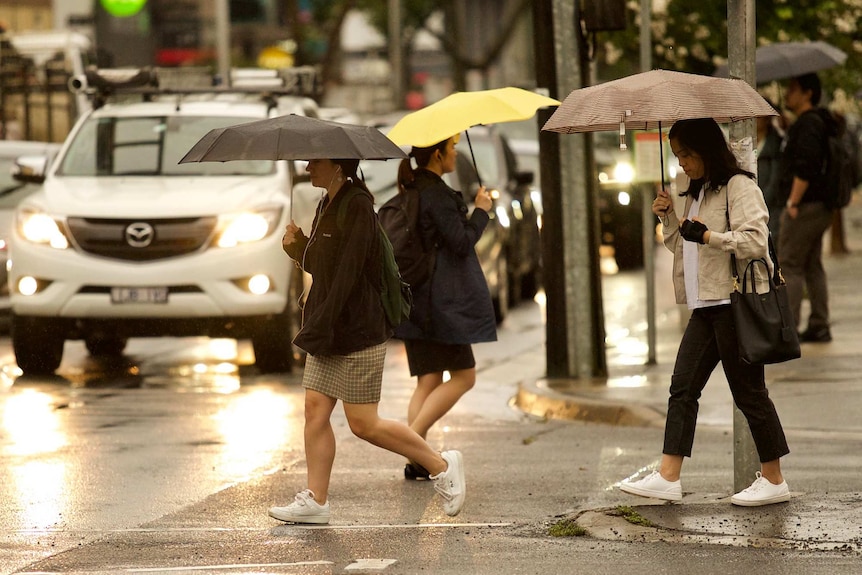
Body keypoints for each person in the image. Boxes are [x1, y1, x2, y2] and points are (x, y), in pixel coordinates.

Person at [271, 157, 466, 524]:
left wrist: (321, 324)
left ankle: (441, 466)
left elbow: (350, 273)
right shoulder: (328, 201)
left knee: (364, 424)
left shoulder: (357, 204)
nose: (308, 166)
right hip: (329, 328)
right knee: (314, 410)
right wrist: (298, 247)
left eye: (315, 160)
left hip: (357, 330)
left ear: (337, 164)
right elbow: (325, 265)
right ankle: (316, 500)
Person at [619, 118, 791, 507]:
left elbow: (755, 241)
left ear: (705, 151)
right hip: (705, 306)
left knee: (749, 394)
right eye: (677, 155)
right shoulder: (692, 193)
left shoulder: (739, 186)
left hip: (733, 304)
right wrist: (668, 218)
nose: (680, 163)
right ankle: (668, 476)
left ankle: (775, 478)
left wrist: (709, 235)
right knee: (682, 389)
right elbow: (681, 248)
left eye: (686, 155)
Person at [393, 135, 497, 480]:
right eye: (451, 150)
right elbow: (461, 241)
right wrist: (481, 211)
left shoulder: (413, 188)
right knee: (464, 375)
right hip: (440, 302)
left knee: (428, 380)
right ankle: (413, 445)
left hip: (416, 298)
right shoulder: (435, 193)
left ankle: (415, 458)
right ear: (437, 155)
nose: (455, 155)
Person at [777, 73, 835, 343]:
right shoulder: (815, 122)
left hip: (805, 204)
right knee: (811, 264)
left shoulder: (809, 124)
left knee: (790, 263)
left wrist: (793, 201)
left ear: (808, 93)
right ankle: (819, 323)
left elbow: (807, 166)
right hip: (819, 204)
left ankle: (789, 328)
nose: (787, 94)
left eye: (793, 88)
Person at [755, 104, 785, 241]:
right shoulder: (746, 142)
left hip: (771, 206)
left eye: (759, 117)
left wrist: (760, 201)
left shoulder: (776, 144)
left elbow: (775, 179)